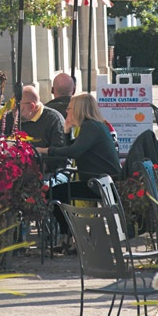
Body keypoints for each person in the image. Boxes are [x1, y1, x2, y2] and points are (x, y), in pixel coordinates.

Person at [36, 93, 122, 235]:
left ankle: (70, 234)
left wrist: (45, 150)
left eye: (70, 108)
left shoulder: (91, 127)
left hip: (99, 184)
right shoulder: (93, 126)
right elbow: (73, 148)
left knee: (52, 193)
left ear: (79, 110)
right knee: (56, 192)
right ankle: (70, 234)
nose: (67, 111)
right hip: (98, 181)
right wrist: (67, 130)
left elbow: (74, 151)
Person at [17, 86, 66, 169]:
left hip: (52, 171)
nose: (14, 110)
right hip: (20, 170)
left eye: (18, 106)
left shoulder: (54, 120)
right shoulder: (10, 118)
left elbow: (60, 158)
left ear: (32, 106)